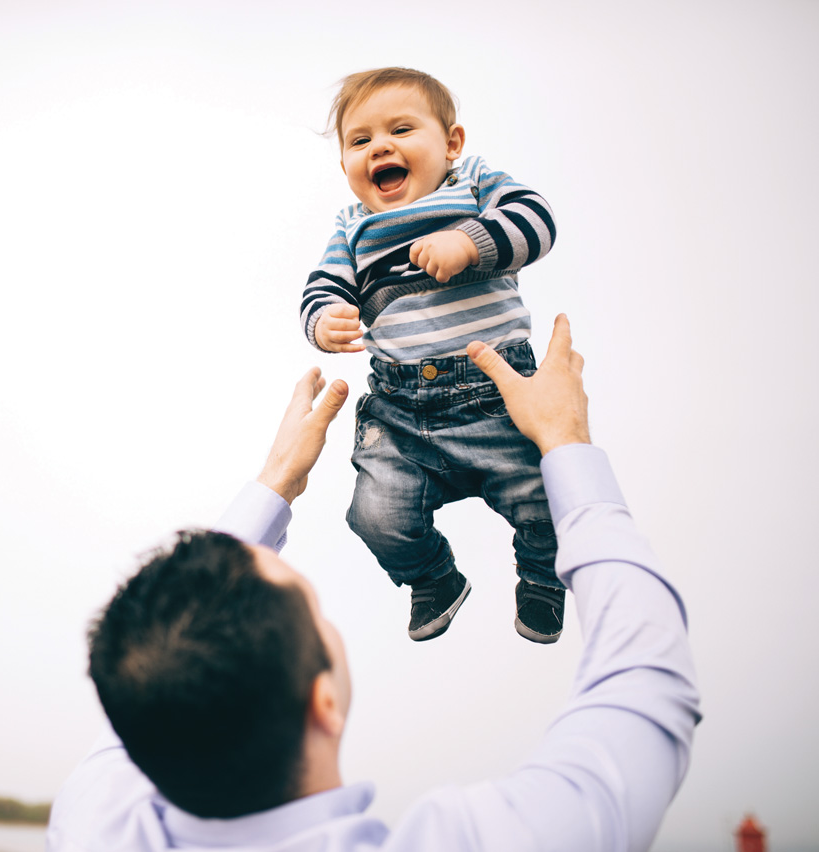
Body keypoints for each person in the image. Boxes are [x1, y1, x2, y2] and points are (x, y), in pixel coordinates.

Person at [47, 315, 701, 851]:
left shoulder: (97, 822)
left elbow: (159, 673)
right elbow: (646, 678)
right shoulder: (474, 840)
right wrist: (566, 439)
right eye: (314, 610)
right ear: (322, 700)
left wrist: (278, 479)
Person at [299, 67, 562, 642]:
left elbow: (537, 220)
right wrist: (325, 321)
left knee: (552, 497)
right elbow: (321, 287)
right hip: (401, 411)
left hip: (500, 397)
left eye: (400, 129)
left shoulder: (472, 186)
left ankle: (544, 578)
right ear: (345, 165)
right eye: (360, 141)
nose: (381, 147)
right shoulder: (352, 227)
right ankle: (433, 578)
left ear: (451, 144)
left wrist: (470, 242)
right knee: (374, 516)